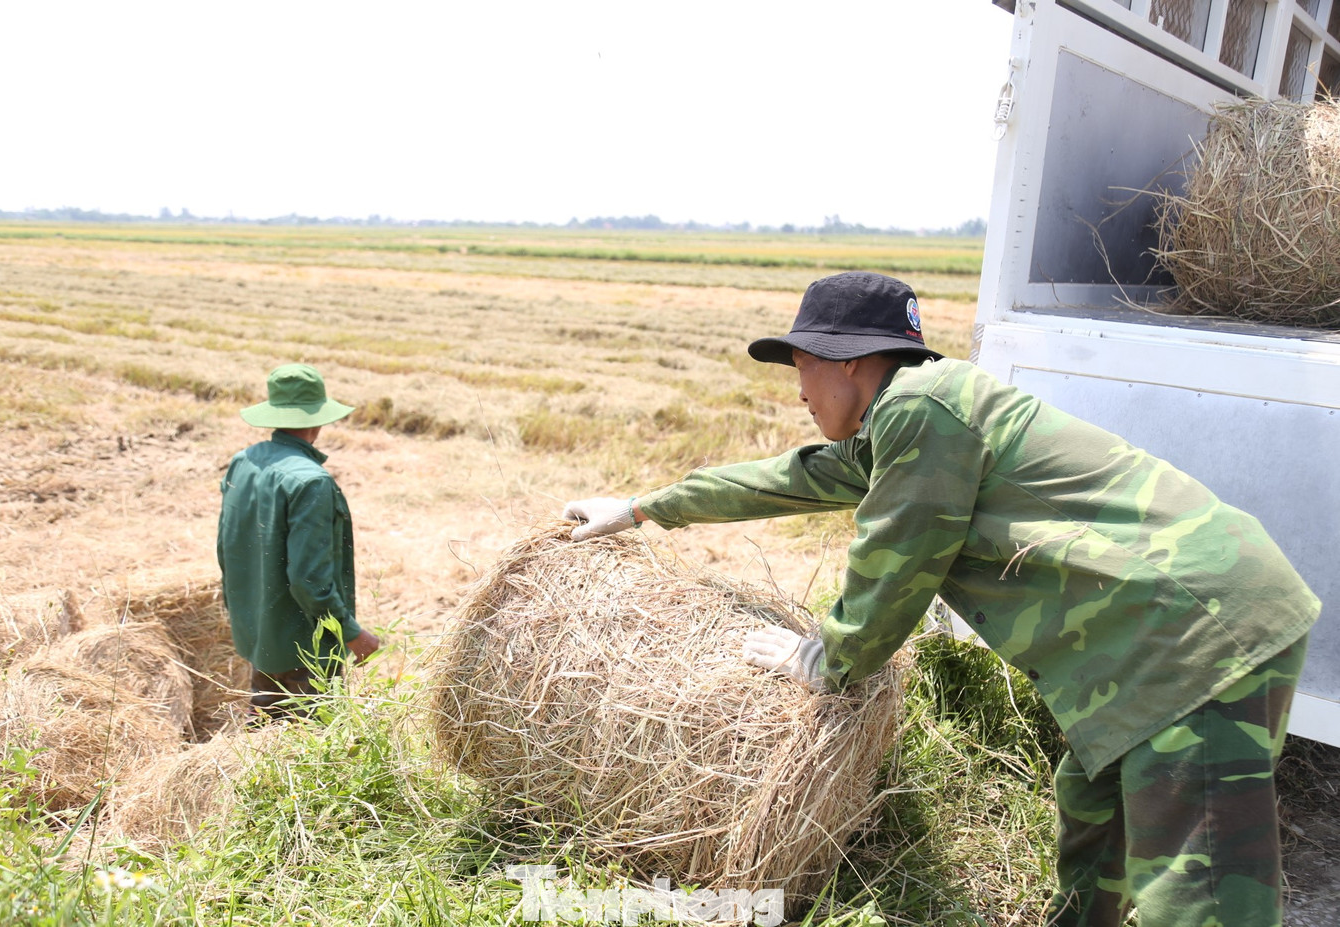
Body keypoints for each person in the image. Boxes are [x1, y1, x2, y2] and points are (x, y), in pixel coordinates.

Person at [562, 271, 1319, 927]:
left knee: (1197, 884)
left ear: (848, 360)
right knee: (1096, 809)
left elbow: (896, 560)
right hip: (1161, 636)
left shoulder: (921, 410)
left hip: (1198, 634)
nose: (797, 388)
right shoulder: (906, 417)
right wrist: (641, 506)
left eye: (801, 363)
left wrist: (825, 658)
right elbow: (786, 478)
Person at [217, 363, 380, 720]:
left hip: (259, 629)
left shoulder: (243, 462)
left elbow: (226, 545)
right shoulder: (311, 482)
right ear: (318, 419)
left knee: (264, 724)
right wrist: (352, 633)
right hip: (303, 645)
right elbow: (310, 579)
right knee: (311, 738)